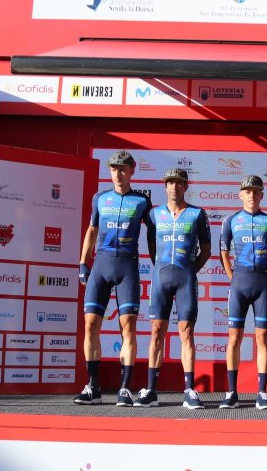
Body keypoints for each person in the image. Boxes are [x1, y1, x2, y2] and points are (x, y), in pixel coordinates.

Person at [75, 150, 155, 406]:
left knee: (128, 326)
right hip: (101, 264)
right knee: (90, 325)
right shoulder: (100, 198)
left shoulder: (141, 201)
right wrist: (83, 263)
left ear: (132, 170)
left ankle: (124, 388)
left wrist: (160, 264)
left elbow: (154, 234)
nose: (117, 174)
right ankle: (93, 387)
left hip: (127, 266)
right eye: (113, 169)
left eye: (122, 169)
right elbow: (92, 230)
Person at [136, 168, 211, 409]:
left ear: (186, 186)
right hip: (161, 278)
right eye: (170, 183)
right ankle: (151, 390)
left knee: (186, 333)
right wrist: (160, 267)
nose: (174, 187)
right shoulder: (154, 214)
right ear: (165, 186)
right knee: (156, 331)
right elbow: (151, 245)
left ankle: (189, 390)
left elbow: (206, 250)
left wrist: (189, 270)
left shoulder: (197, 214)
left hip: (185, 278)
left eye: (179, 183)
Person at [219, 175, 267, 409]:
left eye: (256, 192)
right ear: (240, 194)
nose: (252, 195)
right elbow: (223, 253)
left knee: (262, 337)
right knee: (234, 338)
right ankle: (231, 392)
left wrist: (266, 277)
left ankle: (262, 392)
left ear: (262, 195)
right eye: (247, 191)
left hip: (262, 283)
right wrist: (234, 277)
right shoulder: (231, 221)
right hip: (239, 282)